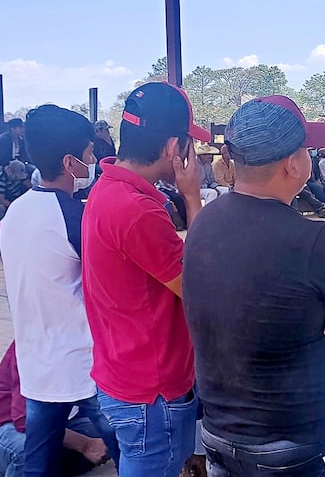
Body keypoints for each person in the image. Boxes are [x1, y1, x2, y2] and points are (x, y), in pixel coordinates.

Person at [182, 94, 325, 477]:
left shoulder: (203, 223)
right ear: (293, 163)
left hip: (221, 434)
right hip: (296, 444)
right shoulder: (314, 241)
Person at [82, 82, 209, 477]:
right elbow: (201, 286)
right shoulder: (139, 210)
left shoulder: (108, 189)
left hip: (123, 373)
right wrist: (192, 197)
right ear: (174, 148)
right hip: (152, 391)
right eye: (189, 145)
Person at [0, 104, 119, 477]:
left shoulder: (15, 211)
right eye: (88, 155)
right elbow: (112, 282)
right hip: (82, 362)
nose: (93, 161)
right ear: (70, 163)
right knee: (130, 453)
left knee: (40, 461)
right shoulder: (73, 216)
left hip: (36, 361)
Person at [0, 342, 111, 477]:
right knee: (28, 452)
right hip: (3, 427)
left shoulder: (87, 339)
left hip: (62, 422)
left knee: (113, 433)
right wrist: (86, 445)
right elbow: (25, 420)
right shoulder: (34, 344)